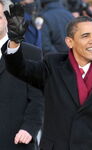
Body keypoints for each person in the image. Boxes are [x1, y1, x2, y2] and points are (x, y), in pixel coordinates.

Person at [3, 3, 92, 150]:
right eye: (85, 36)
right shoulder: (53, 66)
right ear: (70, 42)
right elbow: (20, 69)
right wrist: (15, 41)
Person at [0, 0, 44, 149]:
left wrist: (29, 128)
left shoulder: (31, 53)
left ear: (8, 20)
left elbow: (39, 98)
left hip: (16, 139)